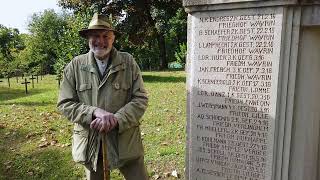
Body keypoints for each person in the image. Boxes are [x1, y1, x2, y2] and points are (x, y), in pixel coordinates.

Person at [57, 13, 149, 180]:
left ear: (113, 38)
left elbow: (140, 99)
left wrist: (117, 119)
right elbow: (65, 103)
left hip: (126, 143)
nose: (101, 41)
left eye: (106, 36)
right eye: (95, 36)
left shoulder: (128, 62)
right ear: (87, 38)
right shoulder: (75, 66)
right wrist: (94, 112)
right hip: (92, 144)